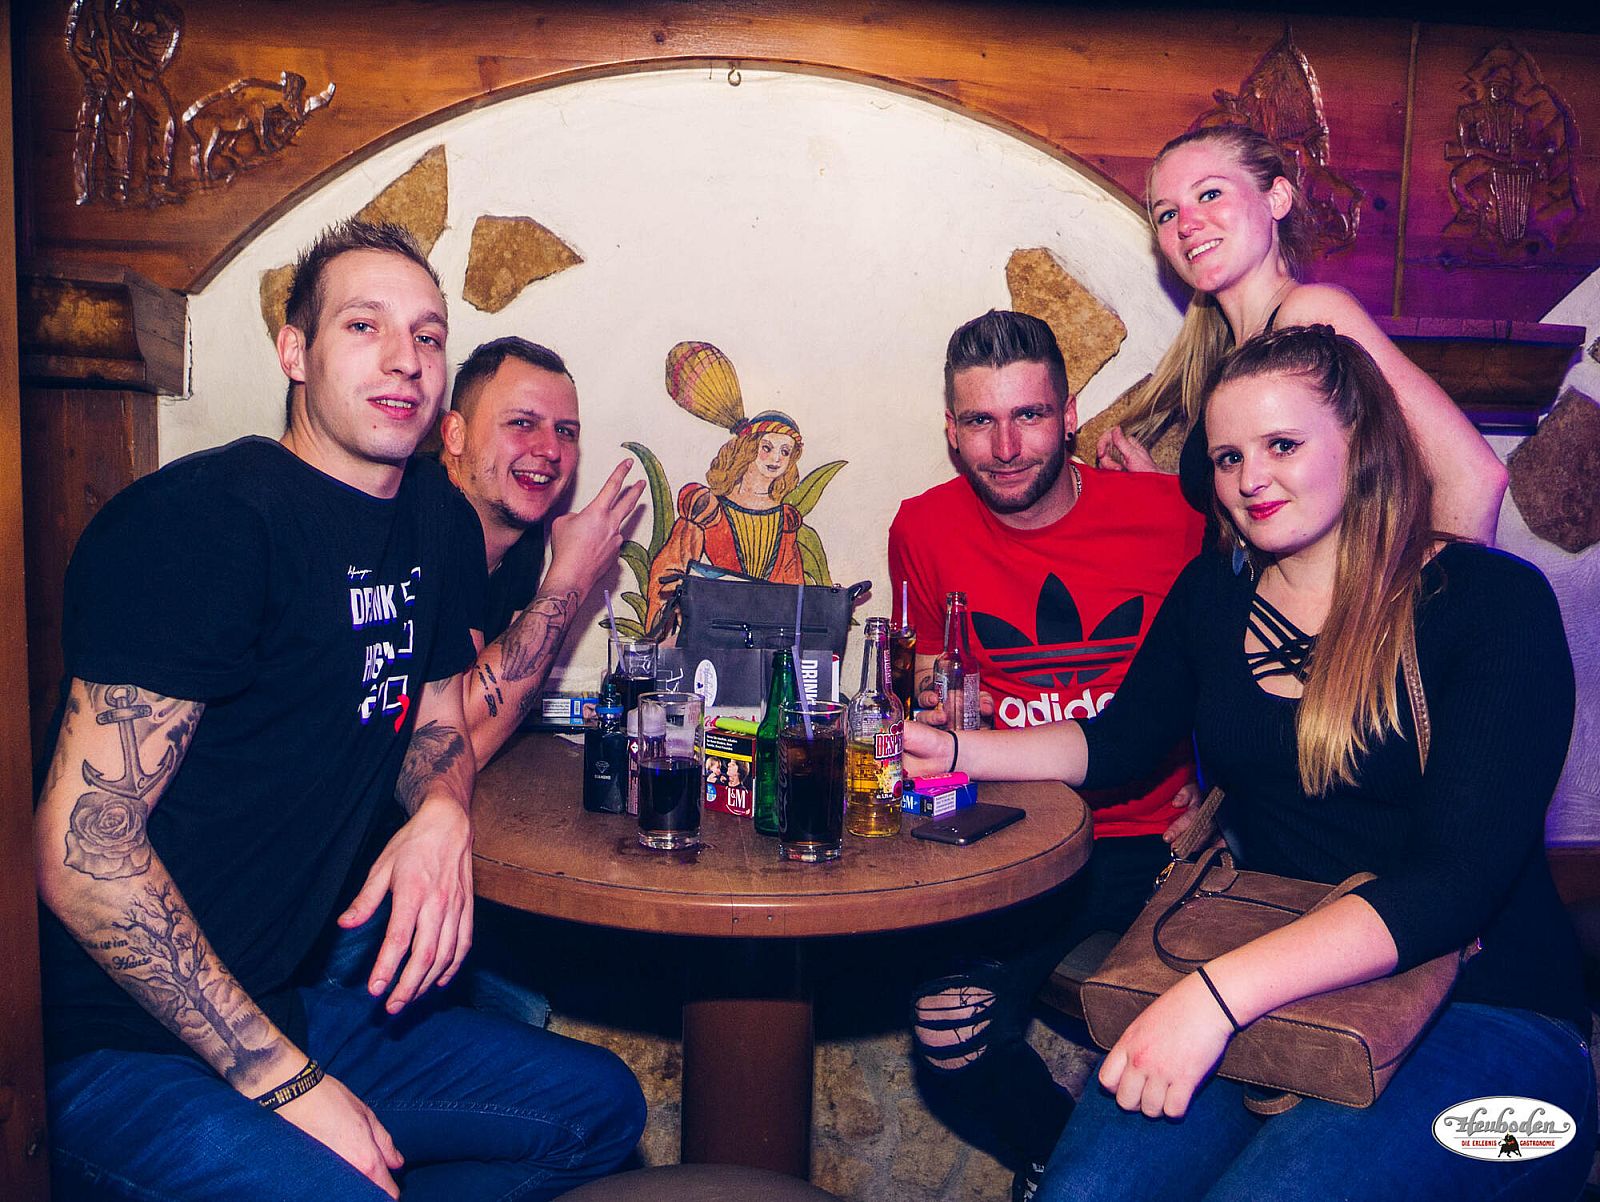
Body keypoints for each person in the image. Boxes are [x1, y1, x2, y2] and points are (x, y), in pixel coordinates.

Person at [905, 325, 1593, 1202]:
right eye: (1229, 457)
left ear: (1361, 440)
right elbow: (1115, 744)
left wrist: (1212, 999)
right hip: (1272, 986)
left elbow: (1451, 886)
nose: (1250, 478)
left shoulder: (1491, 605)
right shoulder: (1215, 595)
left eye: (1282, 445)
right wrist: (956, 749)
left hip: (1491, 1012)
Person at [35, 219, 645, 1201]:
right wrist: (286, 1082)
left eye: (428, 335)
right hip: (111, 1042)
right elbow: (83, 852)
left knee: (601, 1108)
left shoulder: (433, 520)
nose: (406, 357)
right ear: (295, 352)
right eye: (364, 326)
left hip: (278, 999)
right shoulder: (206, 522)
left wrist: (442, 808)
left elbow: (438, 714)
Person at [887, 310, 1205, 1199]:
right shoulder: (923, 528)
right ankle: (1067, 1170)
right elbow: (931, 679)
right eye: (980, 421)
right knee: (948, 1033)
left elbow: (1245, 666)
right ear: (951, 430)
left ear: (1070, 417)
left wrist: (1220, 788)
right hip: (1022, 836)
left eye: (1028, 415)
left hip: (1158, 841)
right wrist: (936, 702)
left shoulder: (1173, 517)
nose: (1005, 447)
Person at [313, 335, 646, 1026]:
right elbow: (457, 732)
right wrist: (570, 578)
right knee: (524, 1012)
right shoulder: (433, 516)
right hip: (331, 896)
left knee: (528, 999)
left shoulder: (515, 545)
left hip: (403, 858)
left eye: (566, 432)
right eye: (522, 423)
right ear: (455, 435)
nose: (549, 449)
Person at [1097, 124, 1507, 547]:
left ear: (1276, 198)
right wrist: (1163, 486)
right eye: (1167, 214)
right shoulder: (1231, 348)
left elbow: (1475, 476)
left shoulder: (1311, 315)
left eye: (1210, 194)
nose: (1186, 224)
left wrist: (1429, 589)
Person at [645, 410, 806, 633]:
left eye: (785, 452)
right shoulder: (706, 509)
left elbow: (794, 591)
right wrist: (679, 604)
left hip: (765, 639)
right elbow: (669, 570)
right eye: (767, 448)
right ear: (748, 448)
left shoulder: (785, 522)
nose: (776, 458)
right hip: (711, 633)